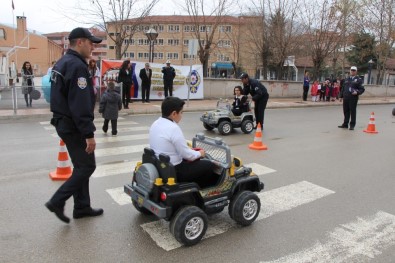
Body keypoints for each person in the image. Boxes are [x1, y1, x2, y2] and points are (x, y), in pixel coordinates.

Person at [45, 27, 103, 223]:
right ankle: (57, 201)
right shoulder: (77, 66)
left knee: (81, 166)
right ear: (80, 42)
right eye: (91, 43)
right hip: (74, 125)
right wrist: (89, 134)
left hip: (63, 122)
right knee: (87, 167)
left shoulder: (63, 62)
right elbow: (80, 104)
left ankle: (82, 207)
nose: (93, 47)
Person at [149, 97, 216, 186]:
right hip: (176, 170)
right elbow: (187, 155)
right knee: (209, 165)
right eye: (181, 112)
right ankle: (202, 191)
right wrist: (200, 153)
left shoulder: (156, 123)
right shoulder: (173, 128)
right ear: (174, 114)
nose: (182, 115)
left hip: (161, 166)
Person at [338, 66, 365, 130]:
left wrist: (357, 92)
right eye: (351, 70)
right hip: (346, 97)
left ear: (356, 71)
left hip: (353, 98)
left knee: (352, 111)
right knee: (345, 111)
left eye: (354, 70)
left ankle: (352, 125)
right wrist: (340, 96)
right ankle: (345, 124)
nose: (352, 71)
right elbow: (343, 88)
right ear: (350, 71)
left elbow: (362, 89)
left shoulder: (359, 80)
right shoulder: (347, 79)